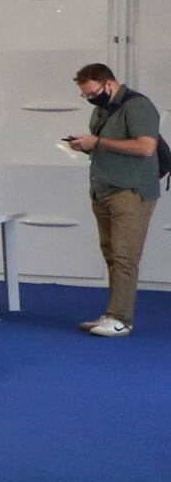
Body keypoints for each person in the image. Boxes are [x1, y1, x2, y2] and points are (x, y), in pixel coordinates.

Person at [65, 62, 161, 336]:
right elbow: (105, 147)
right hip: (103, 190)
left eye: (92, 93)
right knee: (111, 255)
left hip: (131, 192)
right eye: (85, 96)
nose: (90, 99)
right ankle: (112, 313)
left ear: (108, 83)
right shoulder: (101, 110)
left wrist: (98, 143)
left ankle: (121, 319)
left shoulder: (138, 106)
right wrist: (85, 146)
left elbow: (146, 147)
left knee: (124, 256)